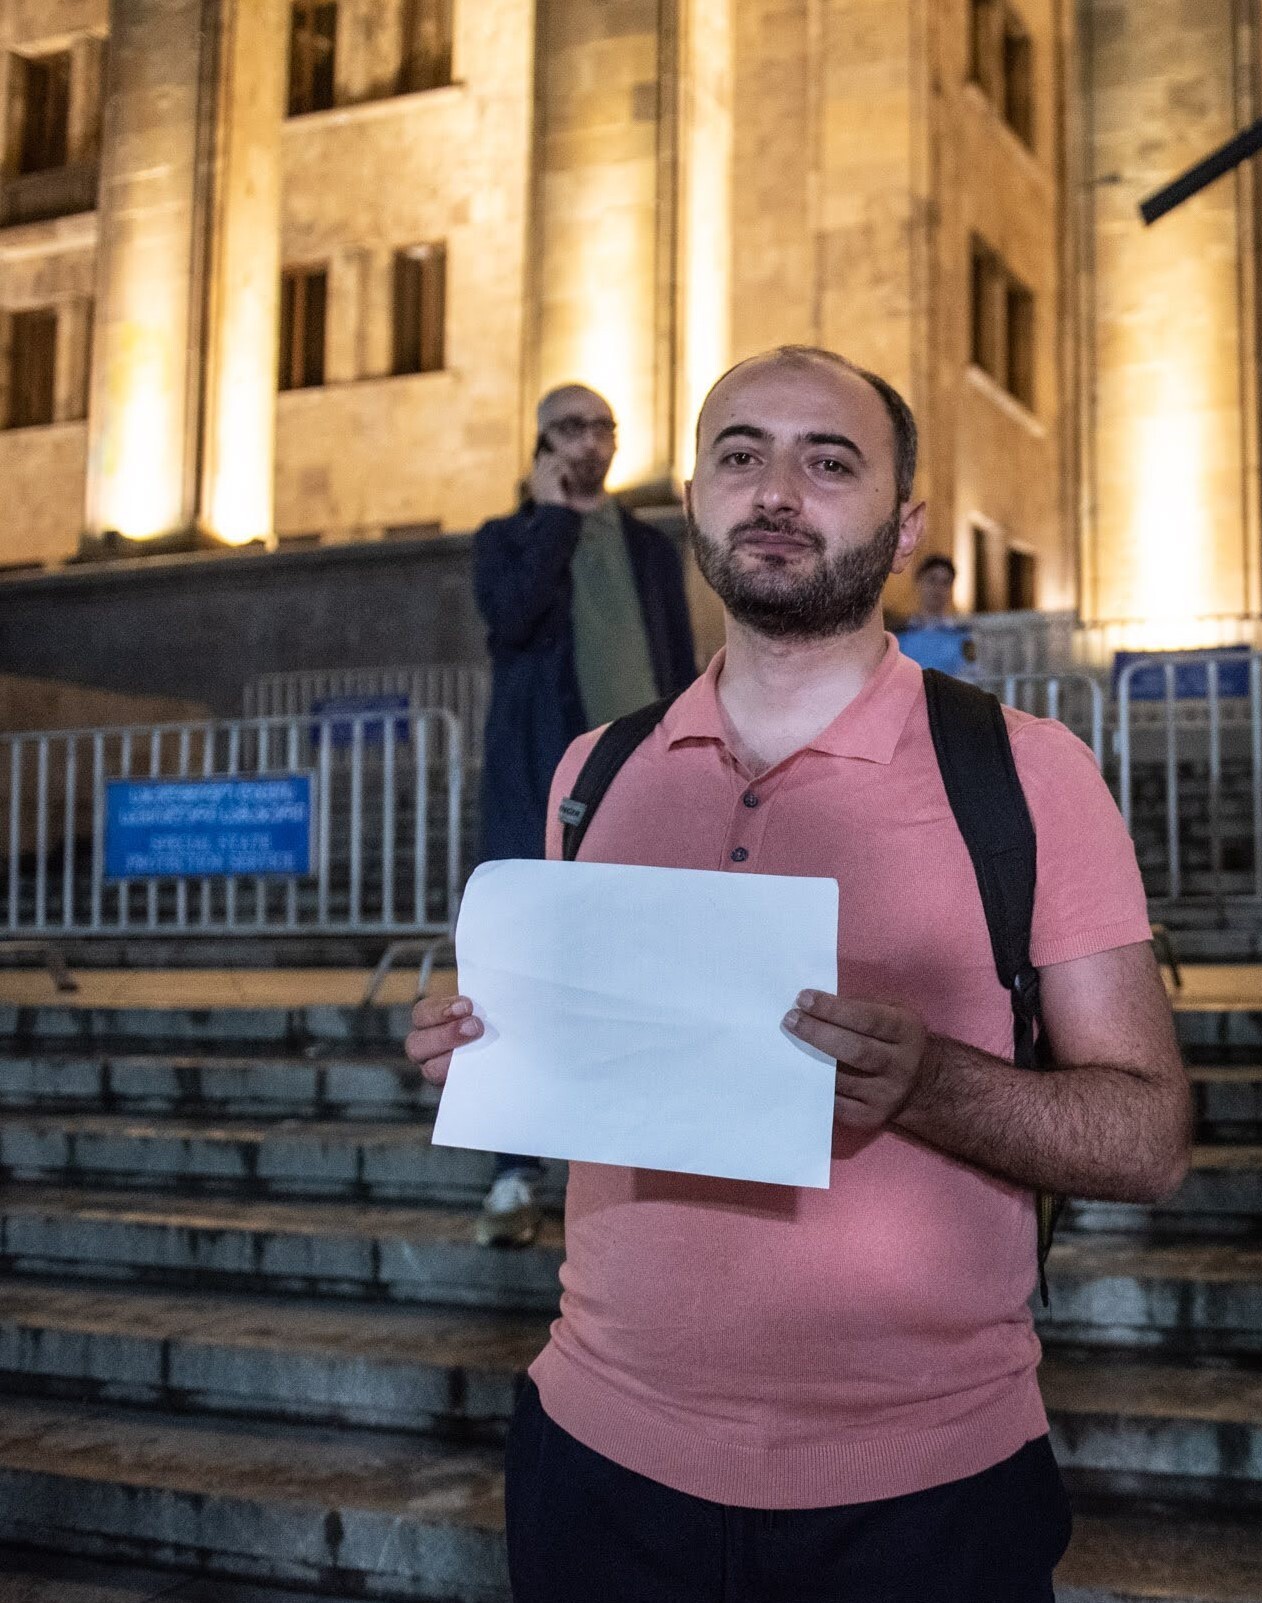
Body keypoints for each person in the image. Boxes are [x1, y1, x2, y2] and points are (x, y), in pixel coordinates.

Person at [410, 346, 1190, 1602]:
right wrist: (490, 1049)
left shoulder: (1029, 776)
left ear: (904, 526)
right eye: (741, 455)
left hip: (922, 1497)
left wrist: (929, 1083)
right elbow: (603, 1081)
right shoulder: (590, 777)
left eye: (829, 462)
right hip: (595, 1464)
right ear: (692, 500)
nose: (777, 489)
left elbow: (1146, 1137)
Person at [470, 384, 699, 1246]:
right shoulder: (508, 538)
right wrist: (553, 517)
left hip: (640, 783)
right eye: (571, 428)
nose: (590, 442)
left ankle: (628, 1160)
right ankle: (512, 1172)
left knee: (638, 966)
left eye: (602, 428)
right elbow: (511, 619)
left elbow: (674, 658)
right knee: (525, 970)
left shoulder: (646, 544)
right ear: (539, 443)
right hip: (541, 780)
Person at [895, 551, 974, 675]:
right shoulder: (899, 636)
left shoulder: (964, 636)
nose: (938, 588)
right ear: (918, 582)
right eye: (932, 580)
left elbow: (972, 675)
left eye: (945, 583)